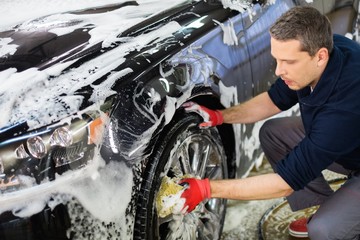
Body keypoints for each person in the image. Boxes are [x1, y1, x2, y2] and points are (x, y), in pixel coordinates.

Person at [180, 5, 360, 239]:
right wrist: (221, 116)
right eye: (277, 60)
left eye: (289, 62)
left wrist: (207, 189)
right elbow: (272, 101)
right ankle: (328, 207)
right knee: (274, 133)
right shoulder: (326, 51)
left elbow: (285, 183)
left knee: (324, 231)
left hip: (349, 142)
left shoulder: (343, 108)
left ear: (320, 56)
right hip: (351, 146)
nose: (278, 70)